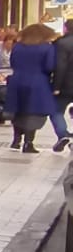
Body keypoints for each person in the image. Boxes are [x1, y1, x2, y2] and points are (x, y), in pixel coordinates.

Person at [5, 24, 57, 153]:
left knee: (18, 110)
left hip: (17, 80)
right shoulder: (47, 47)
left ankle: (16, 140)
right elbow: (49, 66)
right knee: (33, 112)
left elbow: (12, 62)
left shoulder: (17, 46)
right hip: (38, 82)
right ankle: (28, 143)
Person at [52, 20, 73, 153]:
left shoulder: (61, 43)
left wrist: (56, 86)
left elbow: (60, 65)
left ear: (65, 28)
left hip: (66, 84)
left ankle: (63, 134)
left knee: (56, 111)